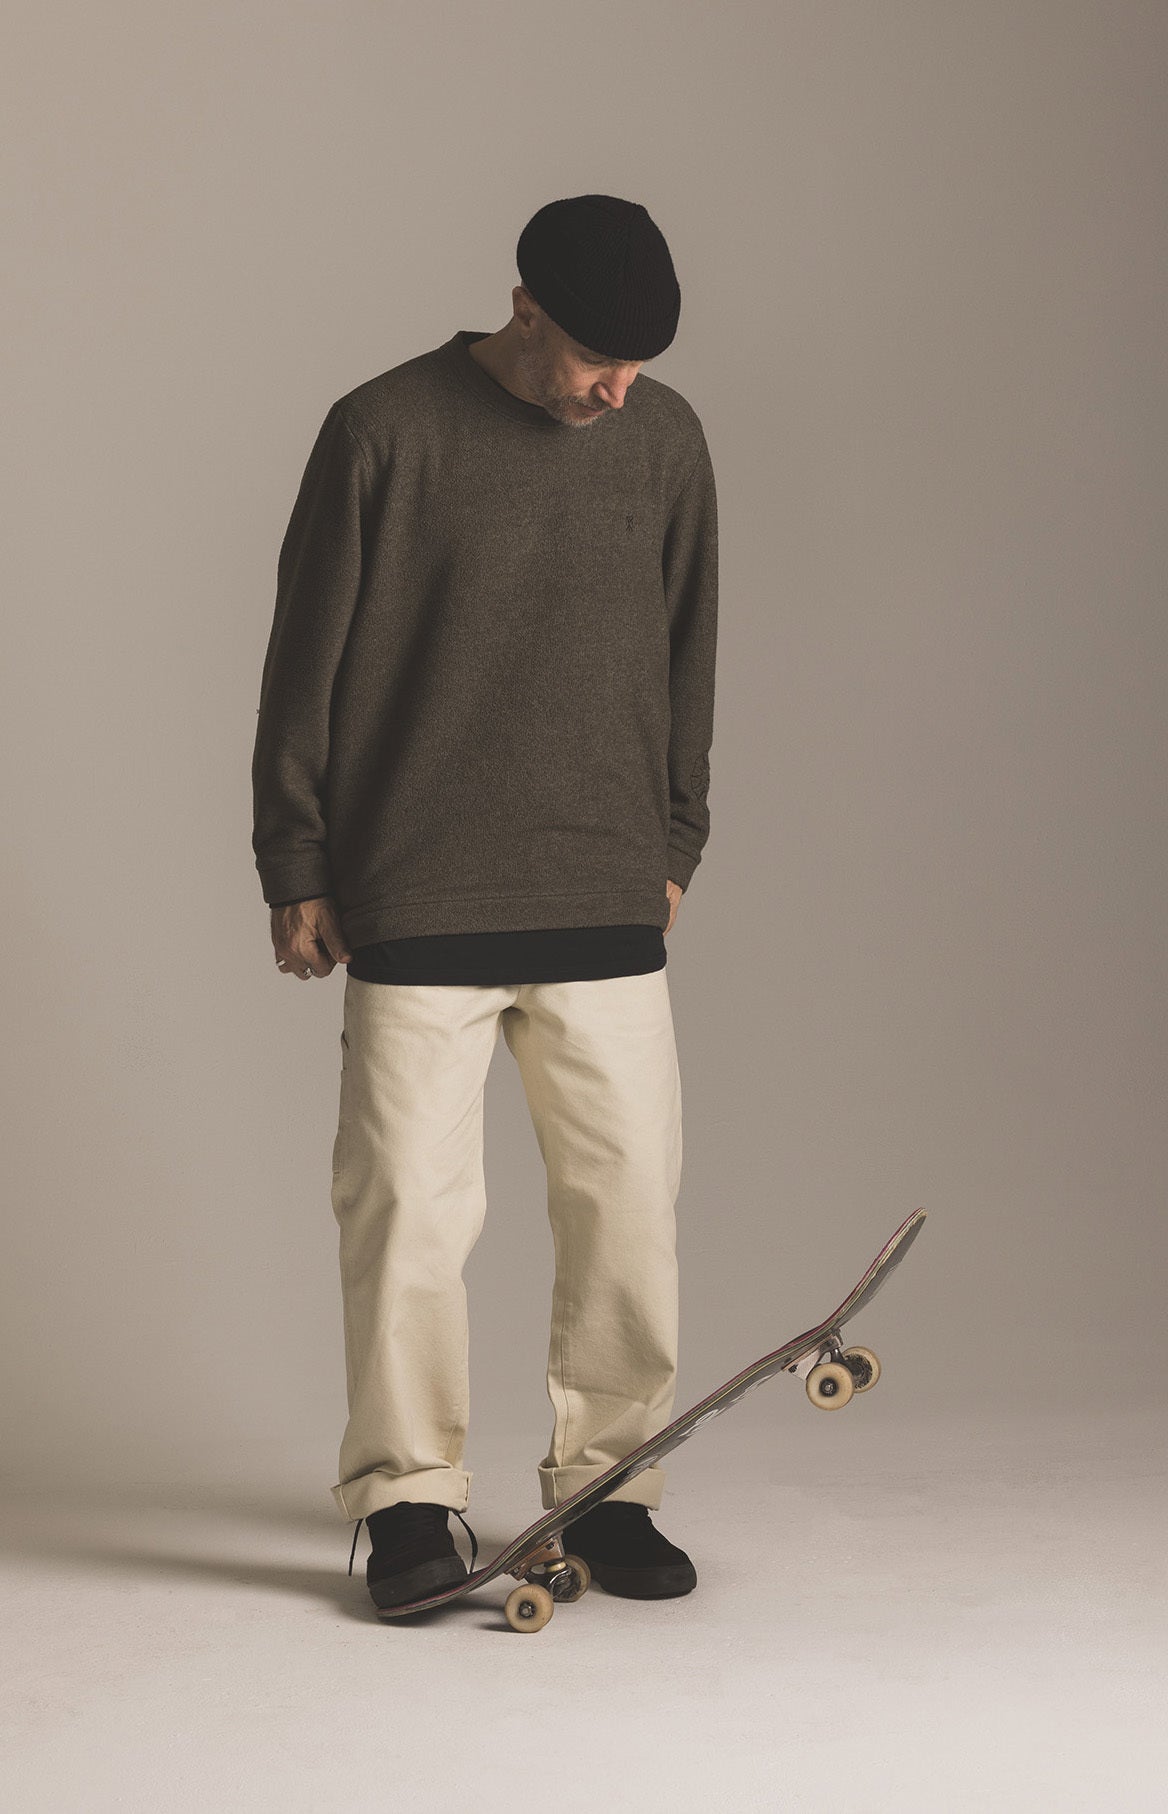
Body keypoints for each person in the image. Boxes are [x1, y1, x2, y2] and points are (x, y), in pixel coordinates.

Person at [251, 193, 719, 1613]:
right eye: (596, 359)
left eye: (637, 367)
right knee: (402, 1209)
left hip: (602, 882)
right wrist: (296, 859)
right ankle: (407, 1502)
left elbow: (691, 642)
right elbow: (303, 654)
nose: (616, 391)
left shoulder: (665, 439)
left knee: (628, 1206)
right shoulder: (382, 430)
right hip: (417, 884)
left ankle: (611, 1488)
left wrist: (675, 838)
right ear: (523, 309)